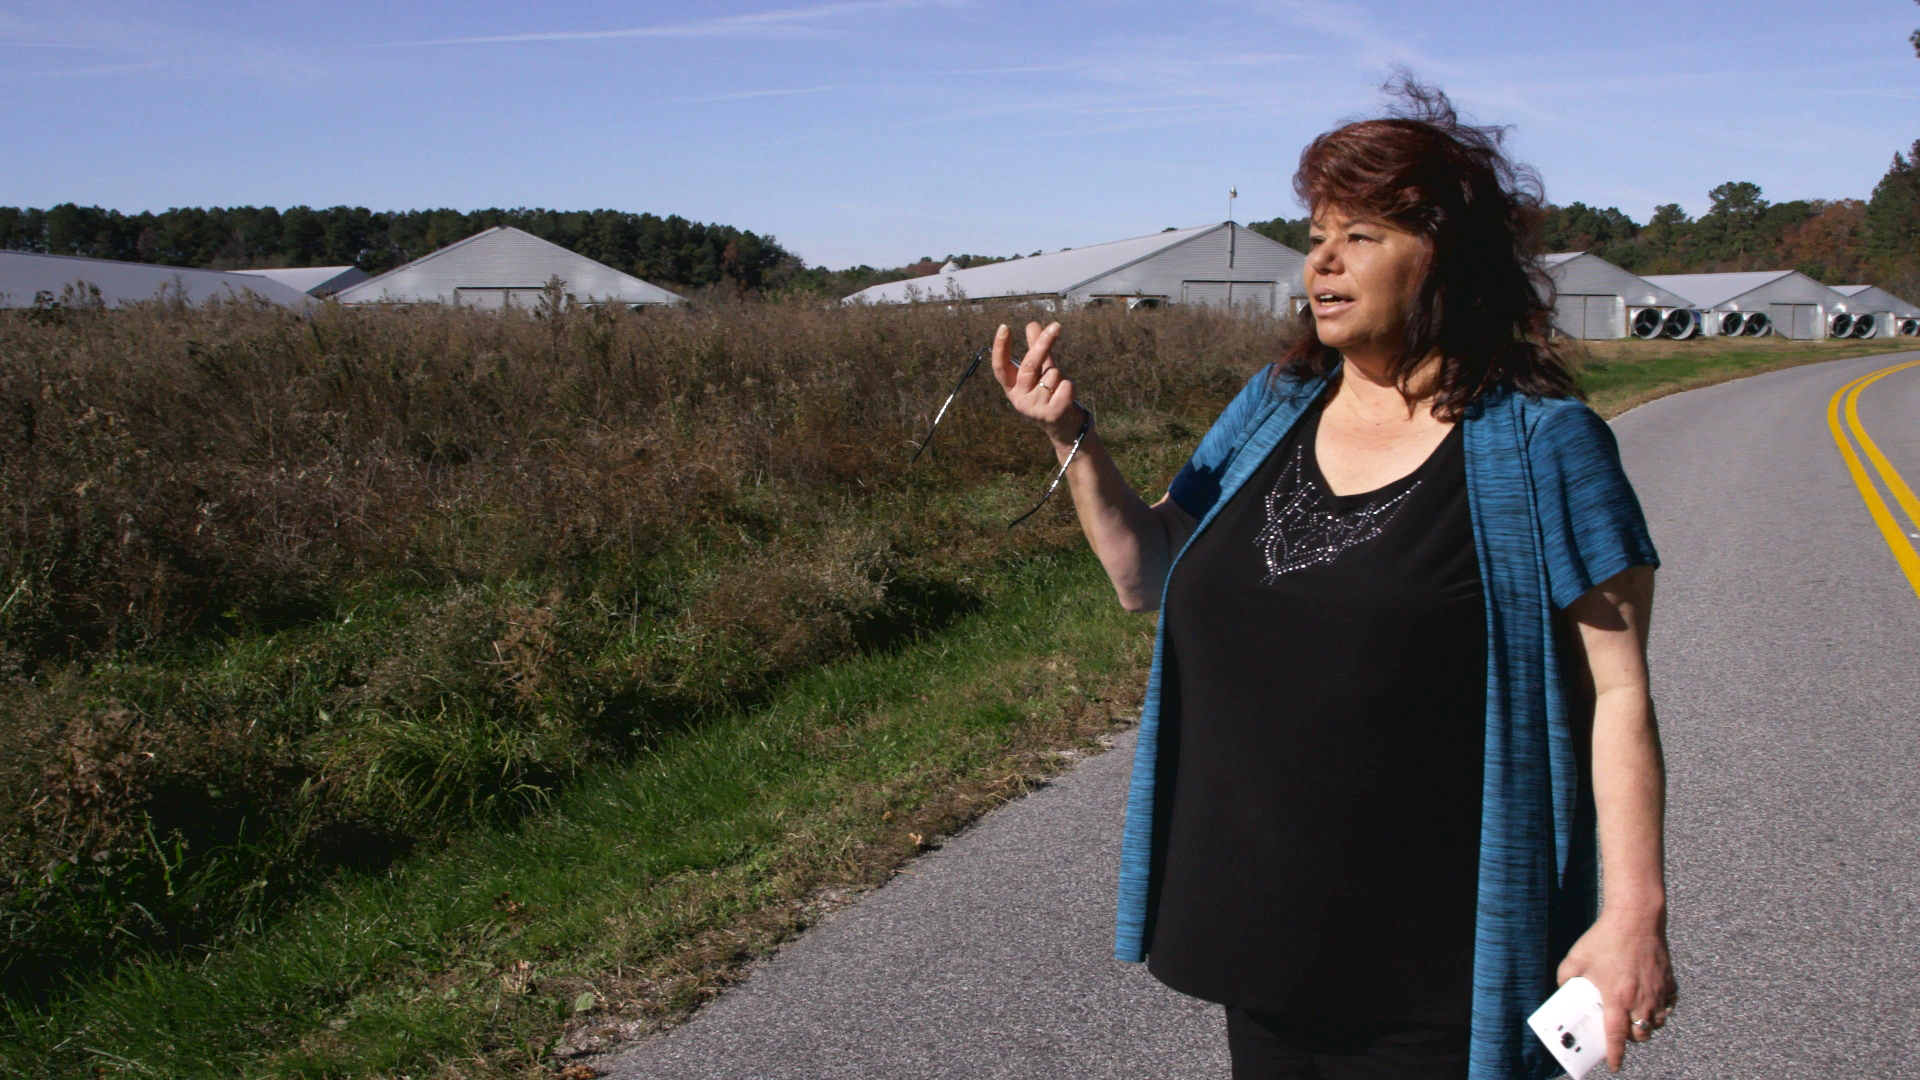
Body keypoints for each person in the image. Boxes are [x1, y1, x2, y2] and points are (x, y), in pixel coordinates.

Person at [989, 81, 1676, 1080]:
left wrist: (1634, 917)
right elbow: (1150, 573)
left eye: (1361, 234)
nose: (1321, 259)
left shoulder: (1544, 447)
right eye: (1316, 233)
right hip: (1262, 947)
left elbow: (1619, 693)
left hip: (1435, 972)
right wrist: (1070, 436)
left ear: (1441, 254)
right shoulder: (1275, 405)